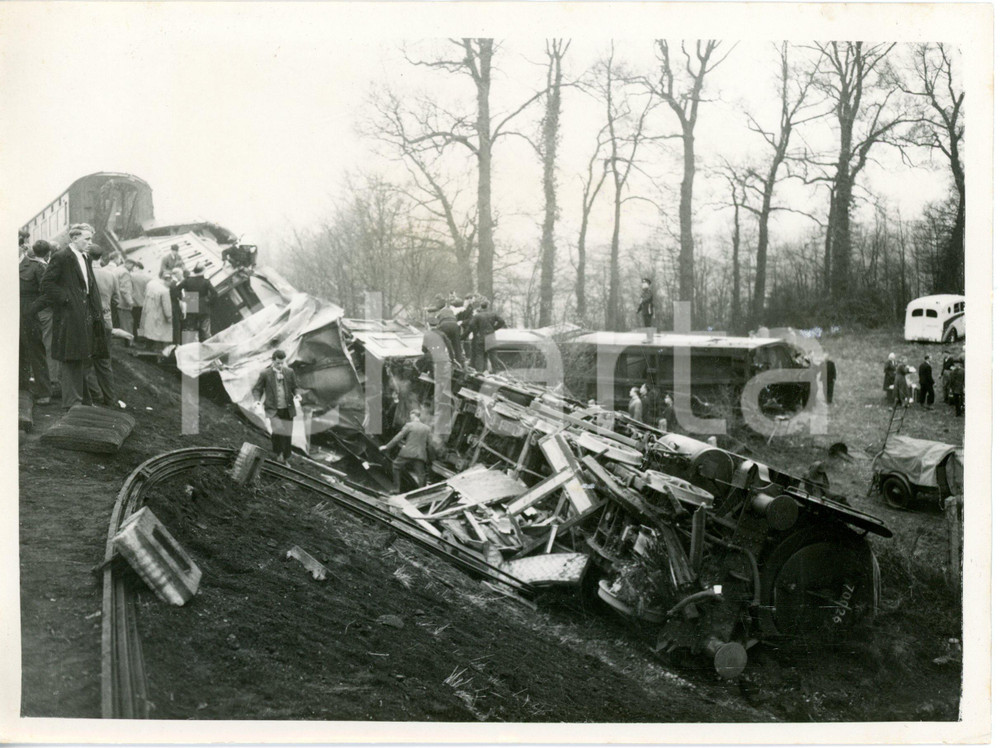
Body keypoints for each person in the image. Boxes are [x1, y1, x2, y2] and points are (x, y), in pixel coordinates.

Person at [39, 224, 108, 409]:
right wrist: (67, 300)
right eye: (87, 239)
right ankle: (72, 402)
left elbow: (88, 285)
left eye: (91, 239)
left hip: (85, 313)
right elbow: (46, 284)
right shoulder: (62, 257)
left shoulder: (84, 257)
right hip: (69, 315)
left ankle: (83, 399)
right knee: (71, 356)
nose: (90, 243)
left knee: (83, 355)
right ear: (74, 238)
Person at [252, 349, 301, 465]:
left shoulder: (289, 372)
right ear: (273, 361)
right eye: (278, 363)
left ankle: (284, 456)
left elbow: (295, 387)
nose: (280, 365)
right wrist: (257, 401)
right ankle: (279, 454)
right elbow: (257, 389)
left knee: (287, 432)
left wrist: (298, 395)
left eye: (282, 363)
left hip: (288, 408)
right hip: (273, 409)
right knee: (278, 429)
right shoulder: (265, 373)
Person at [19, 239, 51, 403]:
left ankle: (44, 392)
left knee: (35, 351)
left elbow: (47, 294)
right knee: (17, 351)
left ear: (22, 247)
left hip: (29, 315)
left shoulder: (36, 267)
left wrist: (32, 309)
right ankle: (21, 388)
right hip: (10, 314)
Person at [378, 408, 433, 493]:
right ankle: (422, 493)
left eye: (411, 415)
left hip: (407, 452)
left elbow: (397, 438)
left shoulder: (409, 425)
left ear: (413, 415)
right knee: (421, 475)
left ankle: (397, 489)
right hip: (420, 455)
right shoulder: (427, 428)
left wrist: (386, 446)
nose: (410, 417)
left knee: (396, 466)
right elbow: (430, 444)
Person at [138, 270, 174, 354]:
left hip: (148, 311)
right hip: (159, 314)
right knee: (159, 333)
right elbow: (167, 306)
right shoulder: (165, 290)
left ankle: (148, 346)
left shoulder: (151, 284)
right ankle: (158, 348)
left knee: (149, 331)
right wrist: (169, 317)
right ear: (168, 280)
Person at [179, 262, 217, 342]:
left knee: (191, 330)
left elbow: (176, 290)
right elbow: (214, 294)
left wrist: (183, 299)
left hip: (191, 303)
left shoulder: (187, 280)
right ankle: (209, 347)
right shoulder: (205, 281)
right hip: (203, 307)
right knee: (206, 331)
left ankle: (192, 349)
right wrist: (208, 302)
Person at [465, 300, 506, 372]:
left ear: (481, 307)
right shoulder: (493, 314)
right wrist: (494, 328)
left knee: (479, 355)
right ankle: (495, 371)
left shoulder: (477, 315)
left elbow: (471, 324)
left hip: (481, 336)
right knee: (493, 354)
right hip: (490, 336)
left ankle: (479, 372)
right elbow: (502, 321)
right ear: (488, 306)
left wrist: (476, 331)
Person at [429, 296, 464, 366]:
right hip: (455, 325)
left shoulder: (439, 312)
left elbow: (436, 322)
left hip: (444, 325)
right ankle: (460, 362)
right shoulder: (450, 310)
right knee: (457, 345)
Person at [109, 254, 135, 337]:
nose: (133, 268)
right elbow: (125, 290)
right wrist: (130, 302)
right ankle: (128, 341)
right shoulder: (125, 273)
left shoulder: (117, 269)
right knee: (127, 322)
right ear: (129, 264)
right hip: (123, 303)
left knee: (118, 323)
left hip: (115, 301)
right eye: (133, 266)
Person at [127, 259, 148, 336]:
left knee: (134, 321)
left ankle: (136, 337)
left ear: (136, 267)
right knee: (142, 322)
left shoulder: (131, 276)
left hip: (134, 303)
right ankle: (142, 337)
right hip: (144, 303)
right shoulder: (148, 277)